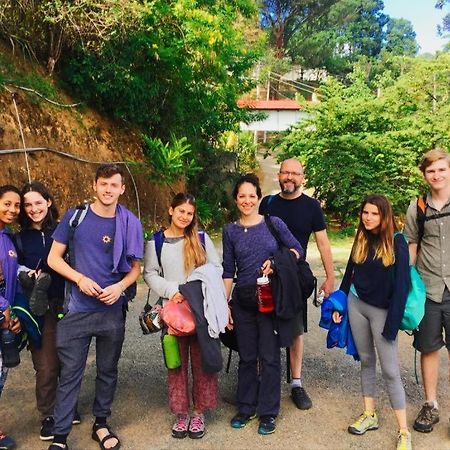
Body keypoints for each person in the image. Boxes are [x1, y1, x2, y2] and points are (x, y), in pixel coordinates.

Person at [46, 164, 144, 450]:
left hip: (112, 309)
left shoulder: (130, 222)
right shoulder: (75, 217)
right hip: (77, 308)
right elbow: (54, 258)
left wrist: (119, 288)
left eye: (114, 185)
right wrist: (79, 278)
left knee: (107, 370)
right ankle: (61, 436)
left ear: (122, 189)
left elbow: (135, 268)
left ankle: (101, 424)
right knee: (70, 373)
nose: (108, 190)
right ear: (94, 185)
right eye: (103, 184)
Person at [223, 174, 303, 435]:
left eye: (251, 196)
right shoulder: (230, 231)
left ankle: (268, 412)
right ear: (236, 200)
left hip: (269, 298)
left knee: (269, 356)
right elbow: (227, 270)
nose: (247, 200)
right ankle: (245, 406)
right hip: (243, 300)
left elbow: (296, 250)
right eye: (242, 196)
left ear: (258, 197)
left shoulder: (273, 223)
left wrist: (276, 263)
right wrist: (225, 304)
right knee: (247, 357)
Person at [144, 193, 225, 440]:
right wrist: (173, 290)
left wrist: (194, 288)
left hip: (202, 310)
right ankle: (181, 414)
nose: (184, 217)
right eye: (180, 211)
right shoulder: (156, 242)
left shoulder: (200, 239)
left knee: (202, 362)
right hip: (172, 312)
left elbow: (216, 268)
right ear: (171, 210)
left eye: (189, 213)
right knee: (175, 363)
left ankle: (199, 411)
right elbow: (149, 273)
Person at [259, 158, 334, 410]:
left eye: (294, 173)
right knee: (265, 325)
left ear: (303, 177)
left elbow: (323, 243)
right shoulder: (267, 204)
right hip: (267, 273)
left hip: (295, 275)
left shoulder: (312, 207)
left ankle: (296, 383)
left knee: (295, 330)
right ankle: (263, 376)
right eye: (285, 173)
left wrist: (330, 276)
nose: (289, 177)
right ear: (279, 175)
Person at [338, 194, 411, 450]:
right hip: (357, 304)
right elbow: (349, 272)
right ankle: (370, 415)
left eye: (374, 214)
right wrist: (340, 303)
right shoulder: (361, 237)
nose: (368, 218)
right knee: (366, 361)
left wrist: (391, 325)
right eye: (365, 213)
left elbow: (403, 286)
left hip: (383, 312)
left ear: (385, 216)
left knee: (390, 371)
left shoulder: (397, 242)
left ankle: (403, 431)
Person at [15, 182, 81, 441]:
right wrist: (26, 274)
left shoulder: (64, 231)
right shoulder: (18, 238)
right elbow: (14, 266)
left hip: (66, 304)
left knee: (70, 361)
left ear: (49, 202)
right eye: (28, 205)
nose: (33, 209)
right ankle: (49, 415)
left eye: (38, 203)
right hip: (38, 309)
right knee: (46, 365)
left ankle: (67, 406)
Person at [404, 148, 450, 435]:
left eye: (442, 169)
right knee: (429, 349)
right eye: (431, 171)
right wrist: (409, 284)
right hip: (429, 289)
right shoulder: (416, 208)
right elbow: (411, 245)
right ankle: (430, 404)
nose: (437, 175)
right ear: (425, 175)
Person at [0, 185, 22, 450]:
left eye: (16, 206)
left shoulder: (8, 239)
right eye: (7, 203)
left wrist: (12, 313)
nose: (12, 210)